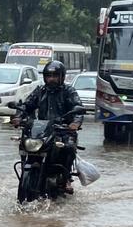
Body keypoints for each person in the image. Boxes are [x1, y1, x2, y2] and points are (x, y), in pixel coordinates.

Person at [14, 60, 82, 190]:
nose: (52, 79)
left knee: (69, 147)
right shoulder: (40, 91)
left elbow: (77, 107)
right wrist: (18, 117)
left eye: (55, 76)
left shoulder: (69, 91)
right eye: (49, 76)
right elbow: (27, 105)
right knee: (24, 143)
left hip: (63, 130)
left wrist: (75, 123)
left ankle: (66, 178)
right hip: (42, 130)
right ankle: (25, 171)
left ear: (62, 76)